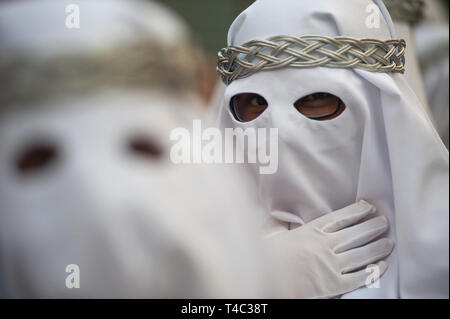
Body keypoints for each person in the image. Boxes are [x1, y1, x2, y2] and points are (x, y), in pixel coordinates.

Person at [217, 0, 449, 298]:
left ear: (377, 107)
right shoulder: (199, 245)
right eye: (254, 102)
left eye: (315, 97)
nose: (282, 132)